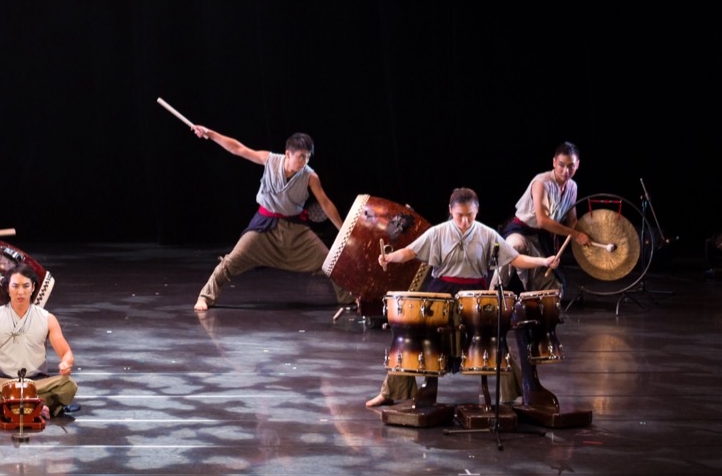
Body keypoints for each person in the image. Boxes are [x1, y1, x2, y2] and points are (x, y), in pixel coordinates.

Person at [365, 187, 561, 408]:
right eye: (460, 216)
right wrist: (389, 257)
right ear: (451, 210)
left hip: (475, 295)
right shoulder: (438, 232)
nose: (465, 221)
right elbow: (410, 252)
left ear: (477, 212)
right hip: (442, 292)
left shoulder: (487, 234)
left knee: (493, 337)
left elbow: (514, 258)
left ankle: (517, 390)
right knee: (411, 333)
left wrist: (543, 262)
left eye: (470, 216)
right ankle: (392, 391)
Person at [189, 127, 354, 311]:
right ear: (287, 154)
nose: (304, 161)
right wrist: (209, 134)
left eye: (307, 157)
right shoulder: (270, 160)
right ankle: (205, 296)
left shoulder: (310, 176)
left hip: (295, 230)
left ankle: (347, 297)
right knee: (231, 261)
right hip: (264, 226)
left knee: (329, 260)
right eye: (300, 156)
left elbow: (325, 203)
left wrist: (343, 230)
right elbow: (237, 149)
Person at [0, 269, 77, 418]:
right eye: (15, 286)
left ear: (33, 288)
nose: (20, 292)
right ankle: (35, 407)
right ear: (7, 288)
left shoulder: (47, 318)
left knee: (68, 386)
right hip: (1, 383)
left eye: (26, 286)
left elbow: (66, 353)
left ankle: (6, 408)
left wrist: (66, 364)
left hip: (36, 383)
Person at [501, 142, 588, 292]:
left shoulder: (573, 187)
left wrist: (587, 236)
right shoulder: (541, 182)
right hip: (521, 231)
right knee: (514, 246)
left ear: (578, 165)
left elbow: (572, 221)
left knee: (553, 290)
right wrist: (575, 234)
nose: (566, 170)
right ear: (554, 162)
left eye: (570, 166)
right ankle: (493, 292)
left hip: (542, 239)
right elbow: (543, 221)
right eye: (561, 165)